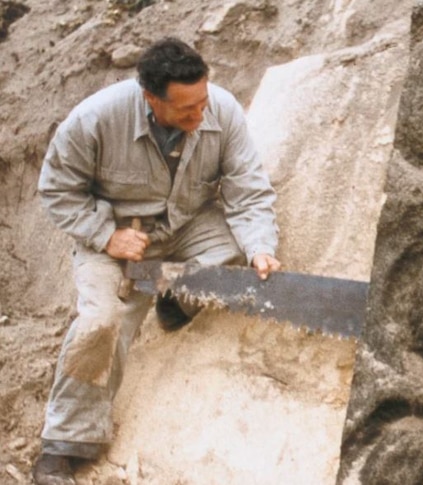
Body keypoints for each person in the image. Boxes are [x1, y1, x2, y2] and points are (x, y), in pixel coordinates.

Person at [32, 37, 281, 484]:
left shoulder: (220, 109)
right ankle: (62, 446)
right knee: (102, 322)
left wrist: (261, 247)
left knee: (231, 257)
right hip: (117, 235)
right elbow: (56, 191)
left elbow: (248, 189)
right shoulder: (94, 119)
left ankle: (171, 301)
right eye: (186, 110)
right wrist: (106, 236)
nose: (199, 116)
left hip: (186, 224)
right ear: (150, 98)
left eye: (203, 102)